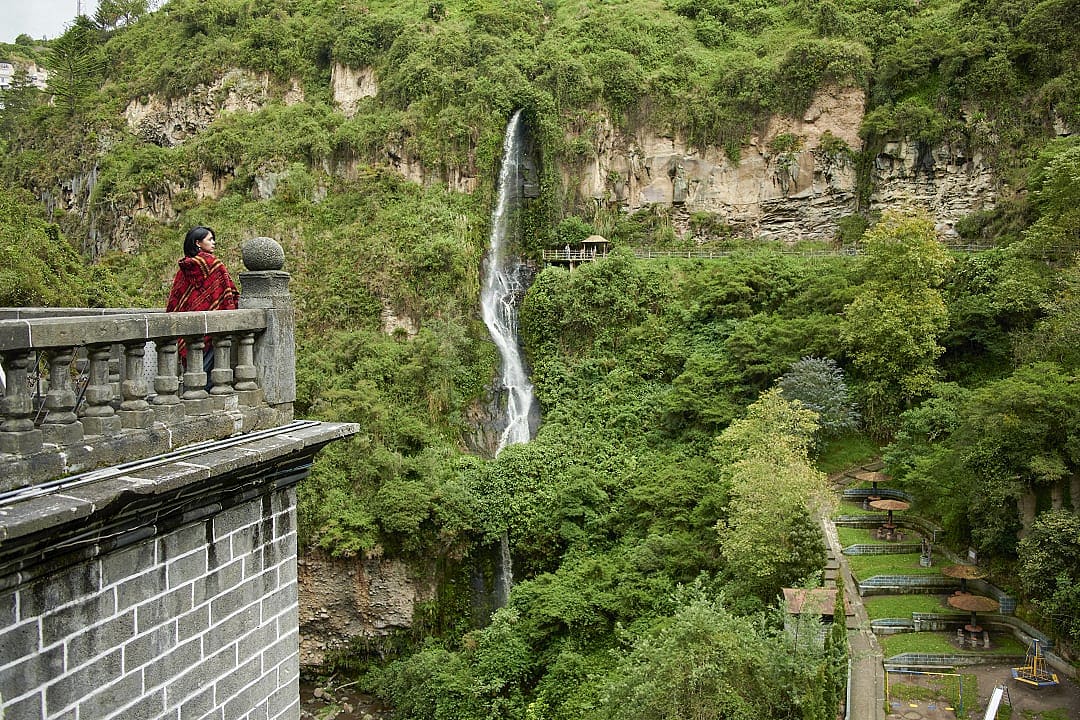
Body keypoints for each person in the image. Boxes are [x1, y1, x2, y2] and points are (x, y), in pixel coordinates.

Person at [166, 226, 239, 384]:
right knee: (207, 374)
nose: (214, 243)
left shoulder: (184, 269)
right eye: (210, 239)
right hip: (211, 327)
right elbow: (228, 293)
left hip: (188, 328)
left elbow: (176, 301)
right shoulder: (215, 265)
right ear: (198, 243)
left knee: (193, 371)